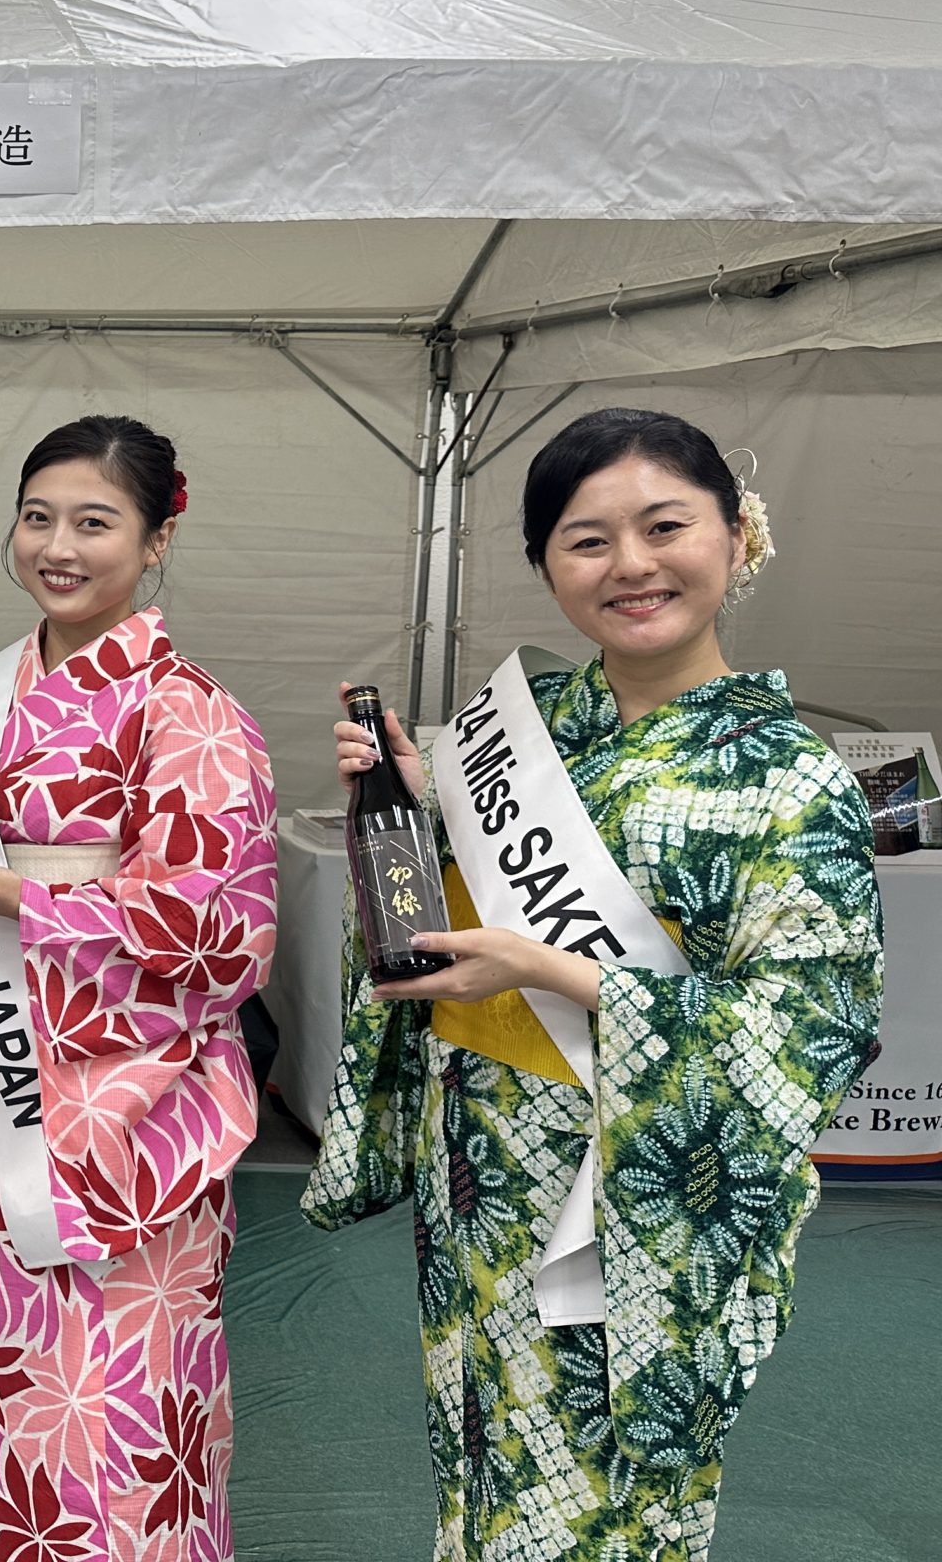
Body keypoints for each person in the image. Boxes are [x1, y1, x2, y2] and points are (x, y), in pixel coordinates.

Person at [303, 407, 884, 1562]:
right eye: (585, 540)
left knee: (599, 1505)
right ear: (544, 565)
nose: (629, 565)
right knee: (482, 1471)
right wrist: (414, 816)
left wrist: (549, 970)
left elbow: (808, 1030)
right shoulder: (530, 732)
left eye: (664, 526)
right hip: (480, 1176)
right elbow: (431, 930)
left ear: (735, 535)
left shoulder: (789, 779)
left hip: (630, 1200)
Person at [0, 416, 276, 1562]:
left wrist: (22, 900)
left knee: (126, 1410)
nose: (58, 547)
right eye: (38, 519)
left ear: (156, 539)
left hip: (135, 1120)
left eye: (94, 522)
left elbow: (225, 935)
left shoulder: (189, 710)